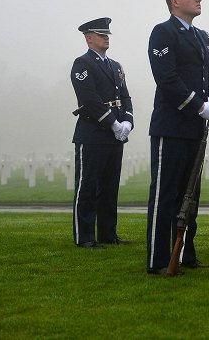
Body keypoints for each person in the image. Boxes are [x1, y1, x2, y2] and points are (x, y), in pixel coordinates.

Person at [146, 0, 209, 275]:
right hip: (172, 125)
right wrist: (198, 104)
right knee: (166, 194)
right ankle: (158, 257)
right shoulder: (163, 33)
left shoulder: (202, 37)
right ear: (175, 1)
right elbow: (166, 79)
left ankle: (186, 252)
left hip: (195, 127)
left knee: (191, 195)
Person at [70, 17, 134, 249]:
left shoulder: (115, 66)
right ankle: (85, 236)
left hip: (114, 135)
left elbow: (125, 96)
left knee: (109, 187)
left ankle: (108, 233)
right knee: (87, 186)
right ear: (88, 38)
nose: (105, 37)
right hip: (93, 133)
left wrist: (127, 121)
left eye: (106, 34)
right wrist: (112, 123)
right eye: (100, 34)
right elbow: (89, 99)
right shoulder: (82, 64)